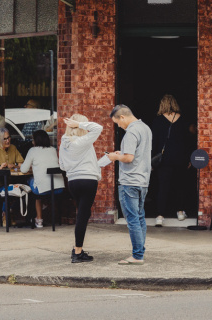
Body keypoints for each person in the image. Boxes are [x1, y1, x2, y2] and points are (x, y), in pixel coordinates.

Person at [108, 104, 152, 265]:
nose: (118, 126)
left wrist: (115, 156)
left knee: (132, 219)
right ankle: (140, 251)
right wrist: (122, 155)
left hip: (129, 181)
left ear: (122, 117)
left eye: (117, 122)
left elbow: (129, 158)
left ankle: (137, 255)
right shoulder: (145, 128)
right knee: (139, 217)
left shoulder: (131, 131)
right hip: (142, 180)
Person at [58, 114, 103, 262]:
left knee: (83, 214)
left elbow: (62, 166)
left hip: (72, 182)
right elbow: (98, 128)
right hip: (88, 181)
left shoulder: (64, 143)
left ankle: (78, 249)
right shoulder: (82, 141)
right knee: (83, 216)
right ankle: (77, 252)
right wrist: (80, 124)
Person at [151, 94, 189, 226]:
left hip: (164, 160)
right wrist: (189, 158)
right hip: (180, 158)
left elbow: (154, 142)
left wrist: (152, 159)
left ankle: (160, 216)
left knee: (162, 187)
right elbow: (187, 141)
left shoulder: (157, 121)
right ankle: (179, 212)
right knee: (180, 186)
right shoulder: (183, 120)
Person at [21, 129, 64, 229]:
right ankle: (44, 205)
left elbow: (23, 170)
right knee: (40, 184)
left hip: (42, 189)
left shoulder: (32, 150)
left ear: (36, 140)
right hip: (59, 188)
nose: (32, 141)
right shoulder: (53, 150)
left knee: (31, 182)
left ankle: (38, 219)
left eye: (33, 139)